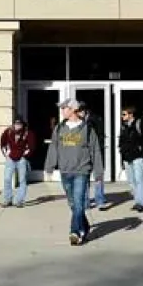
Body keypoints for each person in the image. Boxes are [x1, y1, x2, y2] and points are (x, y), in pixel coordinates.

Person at [44, 97, 103, 246]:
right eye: (62, 108)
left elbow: (95, 150)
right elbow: (53, 148)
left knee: (78, 202)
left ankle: (75, 232)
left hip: (81, 171)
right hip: (65, 171)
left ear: (73, 110)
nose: (62, 111)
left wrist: (98, 172)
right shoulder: (59, 128)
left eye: (64, 108)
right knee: (72, 204)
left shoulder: (88, 129)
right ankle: (85, 226)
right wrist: (49, 168)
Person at [118, 105, 143, 213]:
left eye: (124, 114)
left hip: (138, 157)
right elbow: (121, 140)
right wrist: (121, 149)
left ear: (130, 114)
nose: (122, 116)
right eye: (122, 114)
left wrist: (140, 147)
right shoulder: (124, 126)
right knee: (131, 181)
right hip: (127, 157)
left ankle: (141, 203)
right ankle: (137, 201)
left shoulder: (140, 124)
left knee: (139, 180)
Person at [0, 114, 35, 208]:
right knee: (7, 179)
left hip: (21, 160)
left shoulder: (27, 133)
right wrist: (6, 153)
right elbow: (2, 143)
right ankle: (8, 199)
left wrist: (25, 155)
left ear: (23, 124)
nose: (18, 125)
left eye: (20, 124)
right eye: (16, 123)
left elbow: (32, 146)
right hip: (10, 159)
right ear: (13, 124)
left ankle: (19, 200)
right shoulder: (8, 132)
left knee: (22, 180)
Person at [77, 103, 107, 210]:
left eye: (80, 111)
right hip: (83, 152)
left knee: (98, 176)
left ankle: (100, 200)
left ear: (85, 111)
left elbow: (100, 134)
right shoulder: (77, 122)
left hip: (96, 150)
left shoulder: (95, 120)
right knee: (84, 177)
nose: (79, 114)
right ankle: (85, 202)